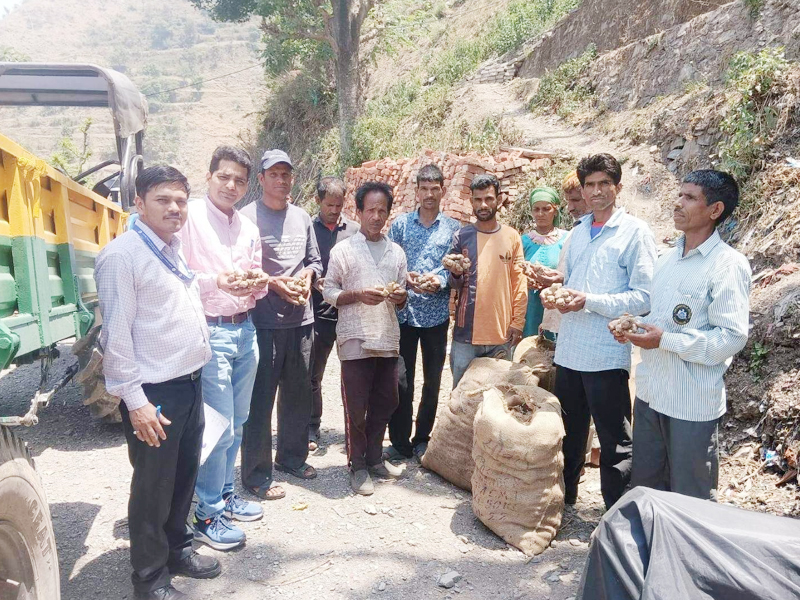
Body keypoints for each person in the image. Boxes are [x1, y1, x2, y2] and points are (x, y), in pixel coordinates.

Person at [95, 166, 220, 600]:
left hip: (189, 384)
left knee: (183, 476)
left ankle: (177, 551)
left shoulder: (171, 247)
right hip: (155, 393)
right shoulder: (122, 256)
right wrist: (136, 402)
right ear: (139, 203)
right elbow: (115, 337)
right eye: (162, 200)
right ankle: (149, 580)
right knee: (153, 487)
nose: (174, 208)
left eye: (181, 200)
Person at [613, 170, 750, 500]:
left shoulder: (728, 265)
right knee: (647, 491)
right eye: (679, 195)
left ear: (715, 210)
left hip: (691, 405)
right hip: (651, 395)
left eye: (689, 197)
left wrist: (664, 340)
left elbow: (731, 337)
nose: (678, 203)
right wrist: (631, 327)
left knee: (691, 498)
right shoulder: (666, 259)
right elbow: (658, 319)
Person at [542, 153, 657, 510]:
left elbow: (645, 297)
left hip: (606, 355)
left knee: (615, 443)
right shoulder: (578, 232)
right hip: (570, 351)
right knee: (569, 435)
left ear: (617, 187)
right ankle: (565, 504)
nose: (596, 191)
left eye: (604, 183)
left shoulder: (635, 232)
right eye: (589, 185)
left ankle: (616, 516)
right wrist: (555, 290)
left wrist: (588, 301)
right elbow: (571, 282)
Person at [178, 146, 268, 551]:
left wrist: (258, 283)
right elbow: (177, 274)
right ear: (209, 176)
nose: (231, 185)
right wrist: (216, 281)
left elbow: (257, 278)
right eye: (224, 176)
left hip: (245, 329)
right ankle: (207, 512)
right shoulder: (190, 217)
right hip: (211, 330)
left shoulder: (248, 227)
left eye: (239, 180)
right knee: (217, 426)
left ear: (247, 186)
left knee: (240, 420)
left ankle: (226, 494)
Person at [240, 150, 323, 499]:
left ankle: (291, 458)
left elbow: (315, 261)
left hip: (301, 320)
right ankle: (256, 474)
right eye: (273, 174)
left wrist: (306, 277)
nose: (281, 180)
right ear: (261, 179)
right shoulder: (246, 218)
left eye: (286, 174)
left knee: (298, 394)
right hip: (263, 322)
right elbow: (243, 270)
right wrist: (275, 284)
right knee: (259, 400)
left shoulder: (302, 217)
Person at [323, 182, 408, 495]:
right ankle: (357, 465)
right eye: (370, 210)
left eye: (382, 211)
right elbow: (328, 290)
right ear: (358, 211)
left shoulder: (396, 252)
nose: (376, 216)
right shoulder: (343, 250)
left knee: (387, 400)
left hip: (387, 338)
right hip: (354, 338)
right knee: (356, 406)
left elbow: (403, 294)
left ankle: (374, 458)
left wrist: (400, 297)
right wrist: (357, 294)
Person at [384, 164, 461, 462]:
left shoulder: (453, 229)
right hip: (403, 314)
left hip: (436, 317)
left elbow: (456, 267)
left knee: (432, 382)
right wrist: (405, 278)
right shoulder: (401, 225)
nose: (429, 195)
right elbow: (388, 261)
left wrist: (439, 280)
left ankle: (422, 439)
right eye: (424, 189)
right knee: (401, 380)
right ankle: (399, 441)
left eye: (434, 189)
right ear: (416, 191)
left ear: (443, 191)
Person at [446, 173, 527, 387]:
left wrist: (517, 322)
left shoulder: (512, 237)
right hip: (466, 335)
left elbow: (519, 283)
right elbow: (453, 284)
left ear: (498, 200)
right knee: (462, 397)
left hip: (501, 334)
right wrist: (455, 273)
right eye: (478, 199)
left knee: (498, 397)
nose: (483, 205)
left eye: (489, 199)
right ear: (471, 201)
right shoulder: (461, 237)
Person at [308, 176, 359, 452]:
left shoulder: (354, 231)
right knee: (312, 376)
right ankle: (311, 427)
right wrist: (313, 280)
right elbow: (302, 264)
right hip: (316, 315)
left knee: (353, 377)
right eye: (329, 205)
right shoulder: (307, 229)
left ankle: (354, 433)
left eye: (339, 205)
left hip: (348, 314)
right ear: (318, 201)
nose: (334, 210)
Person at [539, 171, 591, 336]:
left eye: (576, 200)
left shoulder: (602, 234)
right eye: (568, 201)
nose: (570, 208)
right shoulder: (575, 232)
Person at [521, 187, 567, 339]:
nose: (540, 214)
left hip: (556, 304)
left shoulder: (567, 240)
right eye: (536, 209)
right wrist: (525, 280)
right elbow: (513, 273)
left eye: (546, 209)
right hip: (530, 306)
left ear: (555, 210)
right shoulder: (523, 241)